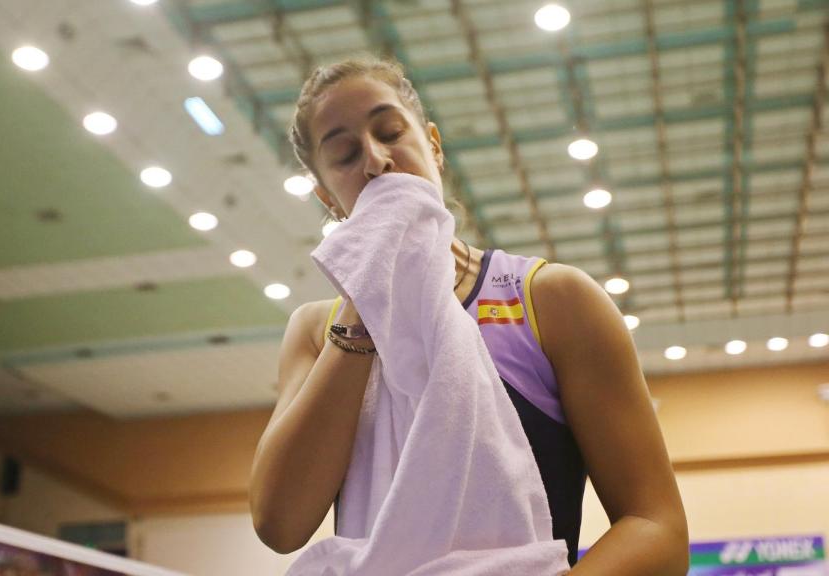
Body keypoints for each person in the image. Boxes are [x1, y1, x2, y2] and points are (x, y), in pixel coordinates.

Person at [249, 57, 689, 574]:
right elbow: (280, 525)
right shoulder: (315, 331)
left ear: (433, 145)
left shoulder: (552, 301)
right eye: (345, 155)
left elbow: (657, 528)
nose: (376, 161)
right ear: (328, 197)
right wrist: (366, 295)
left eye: (390, 132)